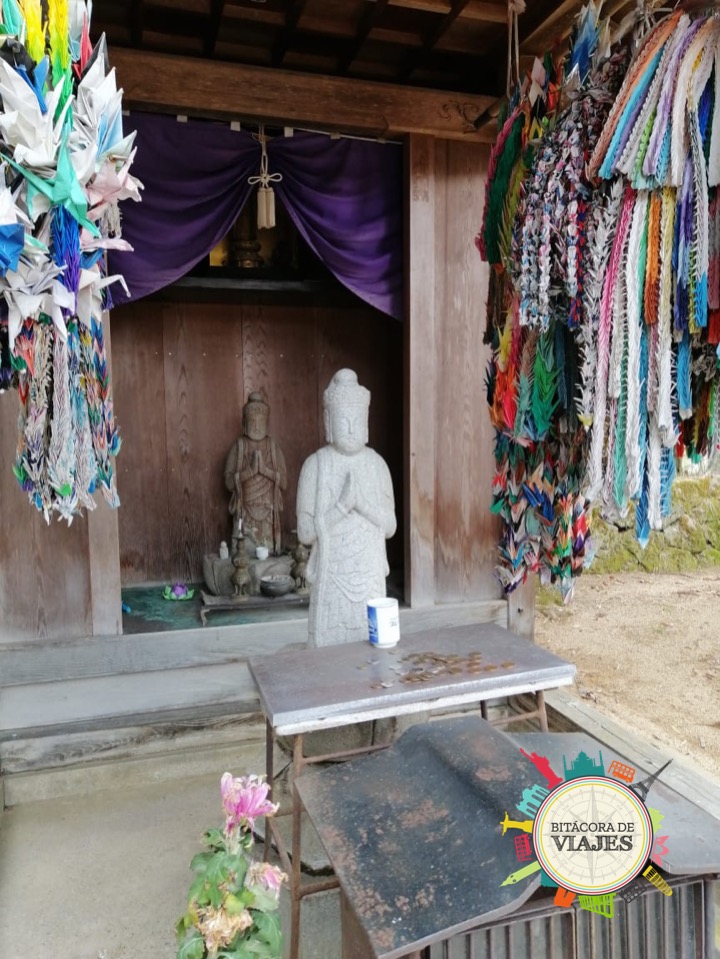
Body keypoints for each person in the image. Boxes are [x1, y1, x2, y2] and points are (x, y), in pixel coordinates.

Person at [296, 369, 396, 647]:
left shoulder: (377, 466)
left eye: (357, 420)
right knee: (328, 656)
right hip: (332, 579)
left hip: (370, 577)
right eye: (343, 421)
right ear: (329, 422)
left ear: (366, 422)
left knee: (372, 651)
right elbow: (305, 532)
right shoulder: (315, 466)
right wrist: (341, 506)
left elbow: (390, 526)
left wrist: (361, 503)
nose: (351, 429)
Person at [224, 392, 287, 555]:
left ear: (267, 422)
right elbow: (229, 483)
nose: (257, 426)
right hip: (245, 514)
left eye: (261, 422)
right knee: (244, 555)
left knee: (268, 554)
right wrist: (250, 471)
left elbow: (284, 482)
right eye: (252, 422)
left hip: (268, 515)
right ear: (244, 422)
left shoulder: (273, 448)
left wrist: (265, 471)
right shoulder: (239, 447)